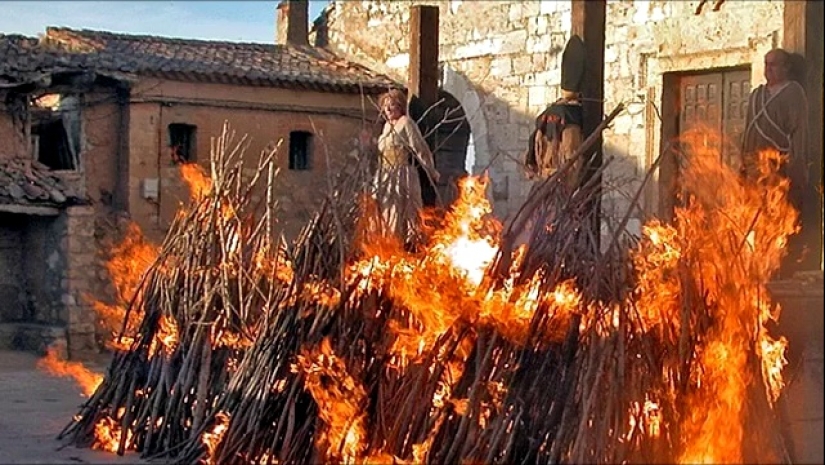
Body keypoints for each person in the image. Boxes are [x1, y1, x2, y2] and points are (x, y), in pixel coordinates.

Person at [741, 48, 810, 274]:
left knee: (780, 216)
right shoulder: (756, 95)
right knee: (757, 216)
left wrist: (797, 165)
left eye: (773, 65)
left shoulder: (793, 93)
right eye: (766, 64)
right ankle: (759, 265)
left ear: (786, 67)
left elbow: (799, 132)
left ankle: (780, 267)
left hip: (780, 167)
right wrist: (744, 164)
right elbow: (748, 131)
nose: (768, 70)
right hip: (756, 168)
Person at [361, 89, 440, 244]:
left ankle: (404, 244)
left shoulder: (406, 123)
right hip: (384, 175)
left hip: (401, 174)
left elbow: (420, 148)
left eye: (392, 105)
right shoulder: (386, 127)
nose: (388, 109)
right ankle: (385, 244)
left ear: (400, 106)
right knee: (383, 210)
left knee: (400, 211)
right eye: (385, 106)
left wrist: (431, 170)